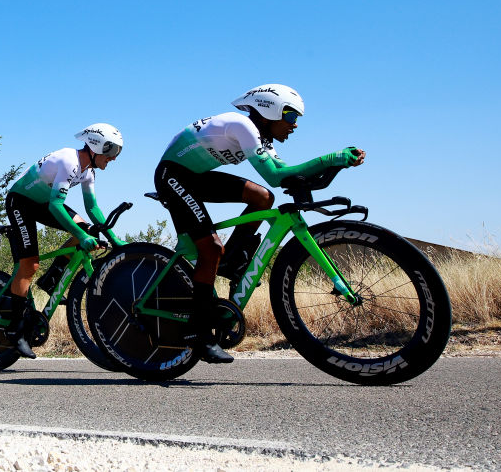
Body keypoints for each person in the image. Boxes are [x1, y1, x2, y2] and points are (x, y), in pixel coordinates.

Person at [155, 84, 365, 364]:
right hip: (173, 176)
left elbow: (286, 175)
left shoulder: (261, 138)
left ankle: (230, 261)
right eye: (290, 116)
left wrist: (333, 167)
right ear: (269, 111)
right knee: (210, 249)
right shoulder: (242, 125)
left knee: (262, 197)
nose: (295, 125)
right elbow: (276, 175)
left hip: (194, 176)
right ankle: (199, 333)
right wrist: (330, 158)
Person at [3, 123, 127, 359]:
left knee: (87, 229)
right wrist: (82, 236)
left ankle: (52, 280)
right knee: (30, 265)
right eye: (111, 153)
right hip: (21, 202)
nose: (113, 159)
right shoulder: (69, 161)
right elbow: (55, 205)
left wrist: (113, 238)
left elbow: (92, 208)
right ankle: (16, 330)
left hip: (42, 203)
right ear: (97, 146)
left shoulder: (88, 170)